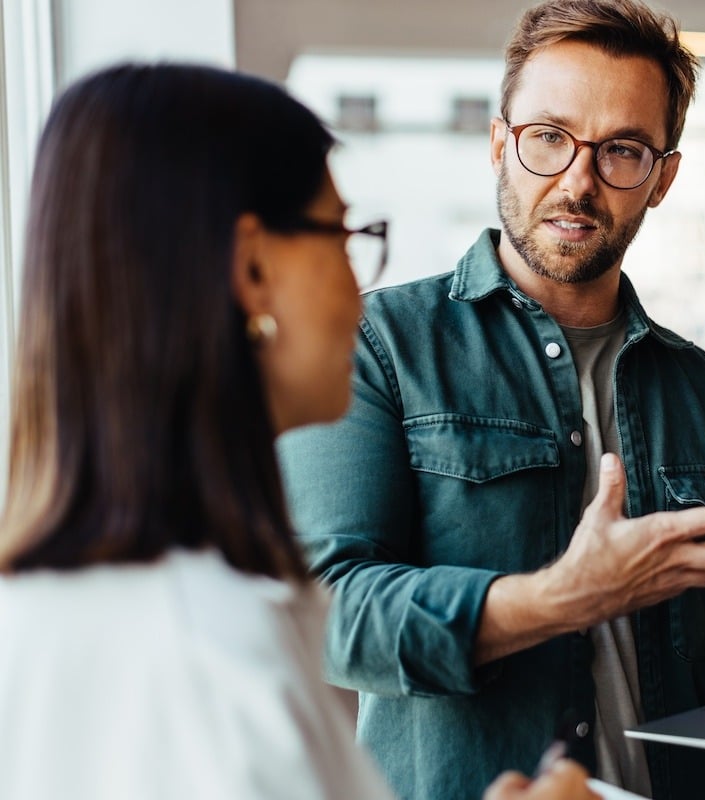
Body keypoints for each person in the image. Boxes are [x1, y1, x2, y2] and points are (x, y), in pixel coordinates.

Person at [276, 1, 705, 798]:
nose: (578, 181)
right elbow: (326, 613)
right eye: (549, 137)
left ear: (663, 178)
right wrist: (554, 600)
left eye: (621, 150)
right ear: (499, 144)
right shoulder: (380, 345)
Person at [0, 62, 597, 800]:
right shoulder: (211, 647)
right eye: (343, 237)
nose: (358, 288)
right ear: (253, 268)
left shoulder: (62, 605)